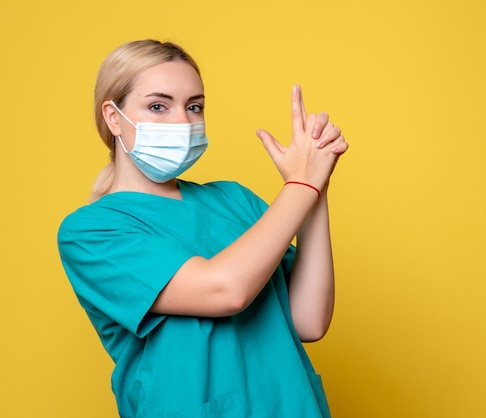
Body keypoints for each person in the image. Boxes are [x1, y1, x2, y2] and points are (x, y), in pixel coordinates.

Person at [57, 39, 348, 418]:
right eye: (159, 106)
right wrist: (299, 186)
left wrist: (316, 189)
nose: (183, 121)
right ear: (114, 118)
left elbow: (309, 320)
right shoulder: (92, 232)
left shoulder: (234, 200)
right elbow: (225, 290)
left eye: (194, 106)